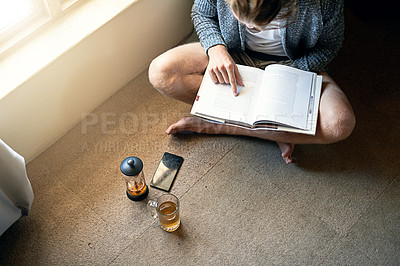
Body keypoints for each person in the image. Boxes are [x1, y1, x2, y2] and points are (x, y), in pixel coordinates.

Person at [148, 0, 356, 164]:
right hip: (233, 52)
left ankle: (216, 124)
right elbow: (202, 13)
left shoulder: (324, 3)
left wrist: (291, 74)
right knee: (161, 72)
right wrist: (216, 49)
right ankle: (275, 130)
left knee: (339, 123)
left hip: (294, 63)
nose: (247, 26)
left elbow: (329, 46)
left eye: (258, 24)